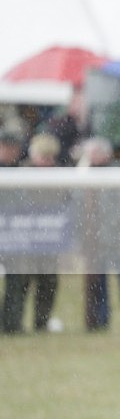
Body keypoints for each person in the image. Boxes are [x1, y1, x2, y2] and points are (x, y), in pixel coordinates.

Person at [75, 137, 120, 330]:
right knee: (99, 284)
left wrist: (105, 229)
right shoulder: (85, 174)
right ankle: (102, 320)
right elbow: (79, 205)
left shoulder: (118, 172)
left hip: (116, 240)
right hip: (96, 244)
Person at [1, 134, 63, 333]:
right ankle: (12, 323)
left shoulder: (57, 176)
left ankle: (38, 322)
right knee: (21, 282)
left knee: (47, 282)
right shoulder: (22, 173)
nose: (49, 162)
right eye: (45, 157)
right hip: (21, 239)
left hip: (45, 240)